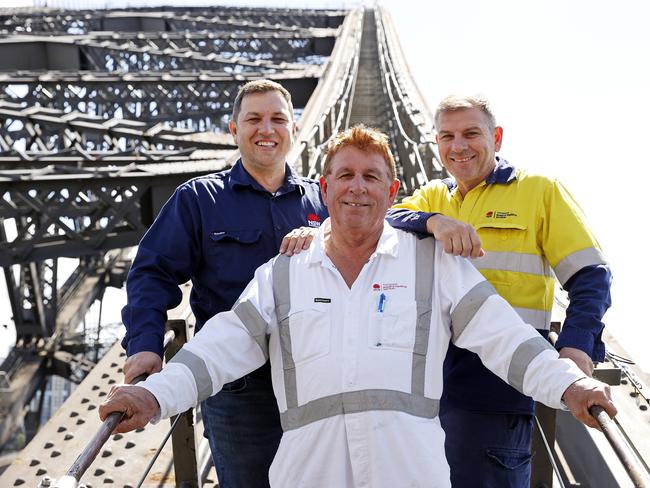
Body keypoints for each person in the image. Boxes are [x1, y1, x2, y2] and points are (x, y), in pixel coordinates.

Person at [102, 125, 616, 488]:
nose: (357, 187)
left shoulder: (432, 264)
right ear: (323, 189)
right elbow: (217, 349)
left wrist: (568, 383)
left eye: (372, 177)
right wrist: (154, 397)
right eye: (345, 175)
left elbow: (506, 338)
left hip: (409, 473)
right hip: (309, 474)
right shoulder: (282, 273)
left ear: (393, 193)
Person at [386, 94, 612, 487]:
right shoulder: (433, 196)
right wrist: (433, 221)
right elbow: (384, 218)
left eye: (471, 134)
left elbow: (591, 274)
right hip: (427, 389)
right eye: (447, 136)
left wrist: (576, 345)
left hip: (500, 389)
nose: (458, 146)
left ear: (497, 137)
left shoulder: (540, 191)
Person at [119, 79, 328, 488]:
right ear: (233, 130)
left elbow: (382, 238)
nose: (266, 129)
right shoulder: (198, 199)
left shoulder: (322, 202)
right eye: (253, 119)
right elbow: (152, 272)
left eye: (277, 119)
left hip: (315, 379)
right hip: (237, 390)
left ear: (294, 130)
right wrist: (144, 345)